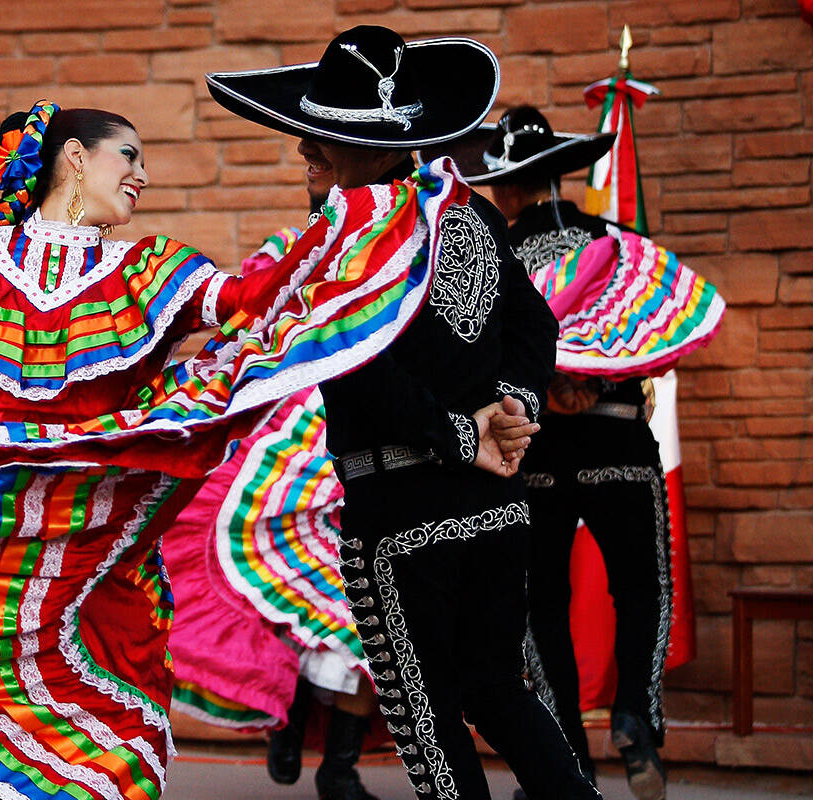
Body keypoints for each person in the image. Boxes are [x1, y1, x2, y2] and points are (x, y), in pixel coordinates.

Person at [0, 98, 477, 800]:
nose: (143, 175)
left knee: (112, 746)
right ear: (75, 158)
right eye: (130, 156)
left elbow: (245, 301)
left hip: (95, 546)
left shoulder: (150, 270)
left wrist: (356, 217)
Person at [206, 26, 600, 800]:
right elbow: (535, 328)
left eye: (322, 139)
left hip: (402, 509)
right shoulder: (474, 216)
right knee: (496, 691)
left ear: (381, 146)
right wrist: (510, 408)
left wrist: (468, 431)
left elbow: (356, 366)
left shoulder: (343, 239)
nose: (304, 151)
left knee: (427, 717)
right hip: (494, 505)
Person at [431, 105, 672, 800]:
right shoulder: (618, 242)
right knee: (643, 585)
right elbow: (655, 329)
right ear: (560, 175)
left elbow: (481, 354)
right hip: (619, 439)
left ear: (507, 188)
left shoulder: (494, 257)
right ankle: (636, 715)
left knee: (541, 608)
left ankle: (567, 760)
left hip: (532, 452)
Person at [166, 234, 386, 800]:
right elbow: (246, 329)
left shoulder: (408, 251)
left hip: (376, 447)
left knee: (377, 615)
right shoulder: (294, 250)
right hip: (291, 455)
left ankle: (340, 766)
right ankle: (286, 716)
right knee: (276, 595)